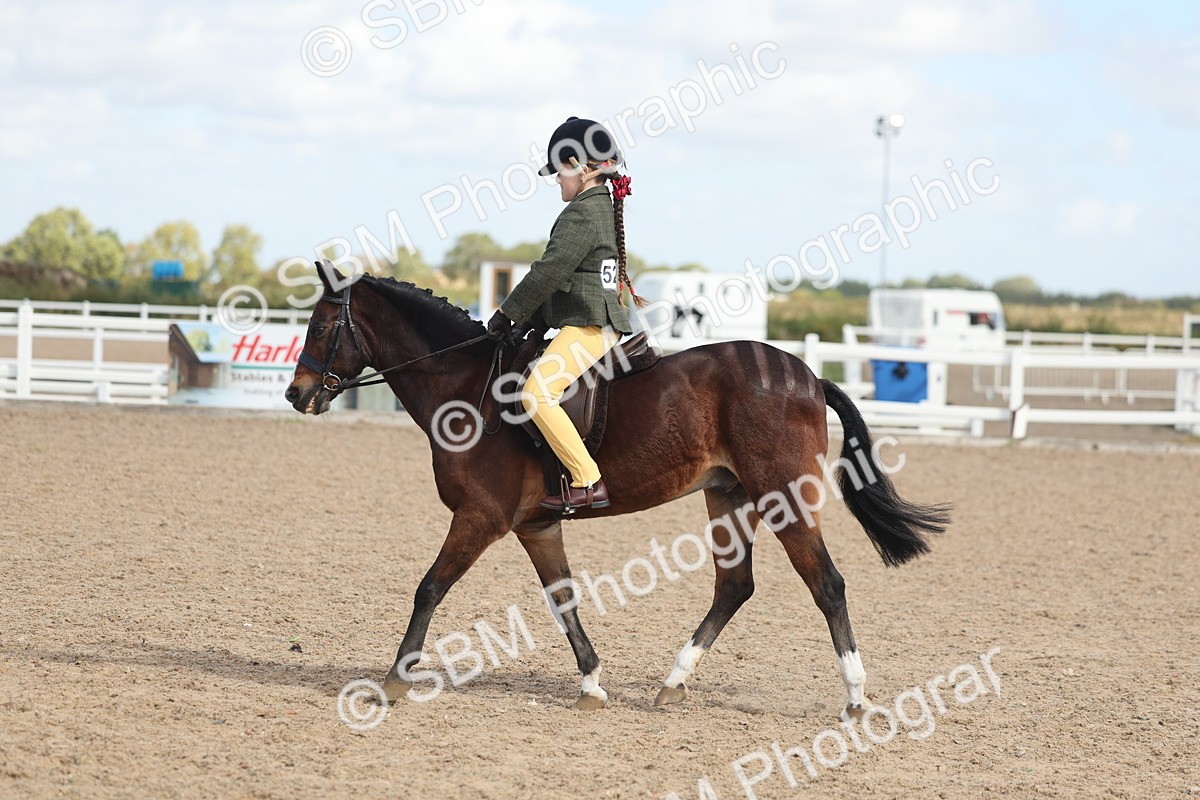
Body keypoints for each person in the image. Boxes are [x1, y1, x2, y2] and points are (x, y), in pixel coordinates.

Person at [486, 116, 644, 512]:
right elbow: (568, 283)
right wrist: (528, 323)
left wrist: (508, 312)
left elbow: (550, 271)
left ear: (580, 166)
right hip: (587, 320)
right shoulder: (597, 208)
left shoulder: (583, 213)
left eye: (559, 170)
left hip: (591, 327)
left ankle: (587, 480)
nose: (557, 179)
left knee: (536, 393)